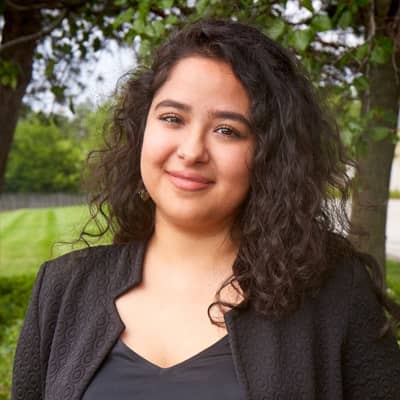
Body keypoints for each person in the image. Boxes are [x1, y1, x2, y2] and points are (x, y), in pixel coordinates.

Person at [11, 18, 400, 400]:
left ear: (269, 155)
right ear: (141, 129)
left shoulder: (335, 295)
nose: (192, 150)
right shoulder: (62, 290)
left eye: (227, 130)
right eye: (171, 118)